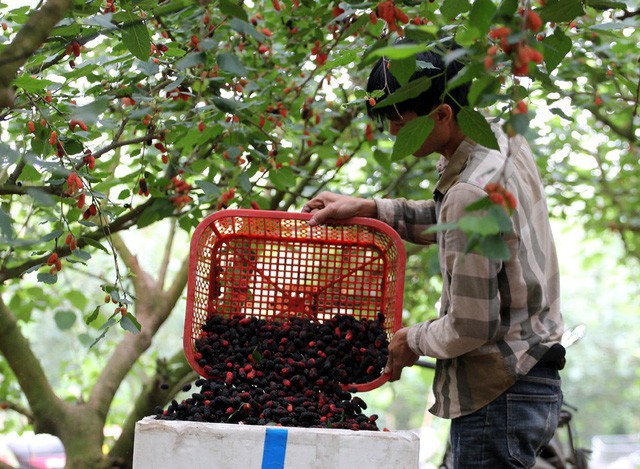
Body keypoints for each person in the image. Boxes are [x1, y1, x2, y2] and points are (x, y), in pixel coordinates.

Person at [301, 42, 566, 468]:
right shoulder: (500, 141)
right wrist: (369, 208)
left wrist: (411, 339)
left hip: (500, 394)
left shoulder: (468, 193)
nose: (391, 132)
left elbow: (471, 325)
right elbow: (455, 221)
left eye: (399, 120)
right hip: (529, 381)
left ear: (441, 114)